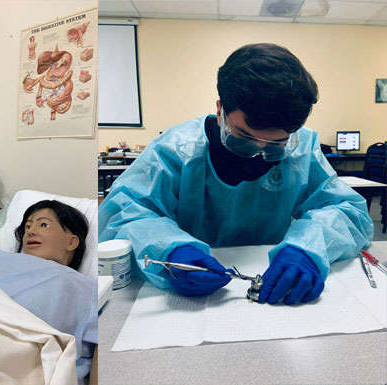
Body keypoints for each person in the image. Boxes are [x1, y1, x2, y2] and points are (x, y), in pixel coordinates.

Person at [99, 43, 373, 305]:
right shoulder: (175, 151)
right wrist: (169, 249)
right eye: (243, 138)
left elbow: (349, 211)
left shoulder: (302, 149)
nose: (258, 153)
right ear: (220, 110)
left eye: (276, 145)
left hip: (274, 279)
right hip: (191, 288)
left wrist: (309, 247)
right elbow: (123, 214)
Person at [0, 200, 94, 385]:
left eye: (43, 224)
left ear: (72, 241)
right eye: (27, 226)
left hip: (4, 355)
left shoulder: (83, 286)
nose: (31, 232)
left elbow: (99, 349)